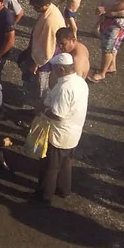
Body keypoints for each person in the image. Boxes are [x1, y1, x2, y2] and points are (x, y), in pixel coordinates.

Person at [32, 52, 89, 205]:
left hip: (60, 134)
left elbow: (58, 115)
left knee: (50, 167)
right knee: (66, 163)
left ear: (62, 69)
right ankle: (64, 190)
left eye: (54, 68)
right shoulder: (80, 82)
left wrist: (42, 109)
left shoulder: (64, 88)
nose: (52, 71)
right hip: (74, 132)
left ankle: (44, 197)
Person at [25, 0, 65, 107]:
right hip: (44, 53)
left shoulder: (50, 22)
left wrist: (36, 63)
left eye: (37, 7)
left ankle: (42, 109)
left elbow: (47, 49)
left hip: (46, 60)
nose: (35, 9)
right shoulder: (50, 10)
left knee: (43, 87)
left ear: (46, 5)